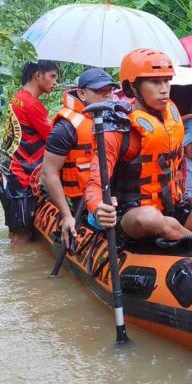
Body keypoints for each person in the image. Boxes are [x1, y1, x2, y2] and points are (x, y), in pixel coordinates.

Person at [85, 49, 192, 241]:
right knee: (151, 218)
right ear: (132, 87)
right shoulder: (119, 130)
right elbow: (95, 182)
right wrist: (97, 206)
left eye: (166, 80)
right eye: (154, 82)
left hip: (173, 207)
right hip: (132, 214)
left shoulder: (172, 117)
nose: (164, 89)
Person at [41, 68, 117, 250]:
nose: (107, 96)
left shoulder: (115, 120)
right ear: (82, 93)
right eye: (100, 91)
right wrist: (67, 215)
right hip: (80, 201)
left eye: (110, 90)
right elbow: (48, 173)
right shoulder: (65, 128)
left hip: (106, 192)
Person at [0, 60, 59, 245]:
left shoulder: (18, 97)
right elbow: (55, 139)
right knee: (21, 237)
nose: (55, 82)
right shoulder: (32, 105)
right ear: (38, 75)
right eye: (52, 76)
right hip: (20, 179)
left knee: (16, 232)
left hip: (7, 173)